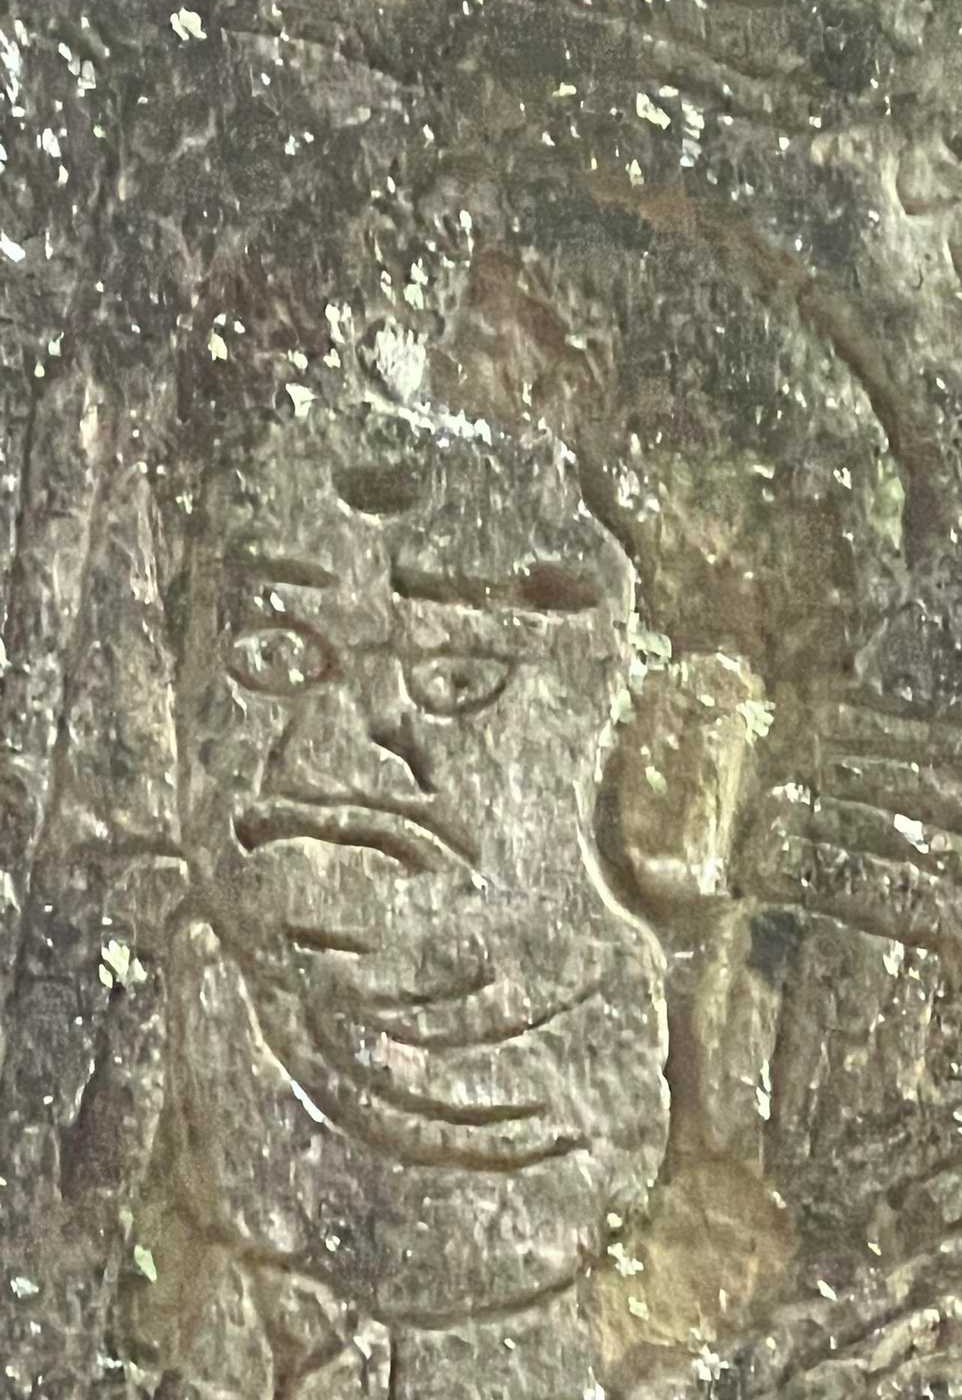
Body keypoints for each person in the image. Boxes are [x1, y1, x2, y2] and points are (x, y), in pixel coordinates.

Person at [123, 400, 670, 1400]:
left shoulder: (622, 1066)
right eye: (275, 659)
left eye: (457, 678)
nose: (343, 744)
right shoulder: (136, 1037)